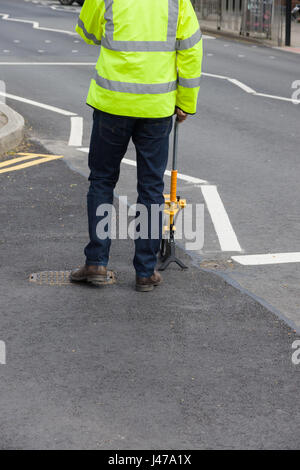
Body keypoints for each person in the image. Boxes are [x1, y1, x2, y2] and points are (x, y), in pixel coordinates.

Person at [71, 0, 203, 292]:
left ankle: (96, 263)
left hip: (112, 104)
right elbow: (191, 49)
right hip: (156, 108)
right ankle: (145, 271)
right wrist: (185, 102)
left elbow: (87, 31)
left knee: (102, 180)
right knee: (151, 189)